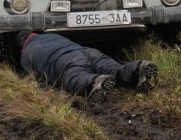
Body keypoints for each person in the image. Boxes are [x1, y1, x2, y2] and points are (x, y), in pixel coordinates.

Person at [16, 32, 158, 104]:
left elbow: (35, 80)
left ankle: (94, 82)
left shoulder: (26, 53)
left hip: (67, 62)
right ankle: (138, 68)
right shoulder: (51, 35)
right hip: (89, 52)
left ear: (21, 45)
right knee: (115, 69)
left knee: (76, 78)